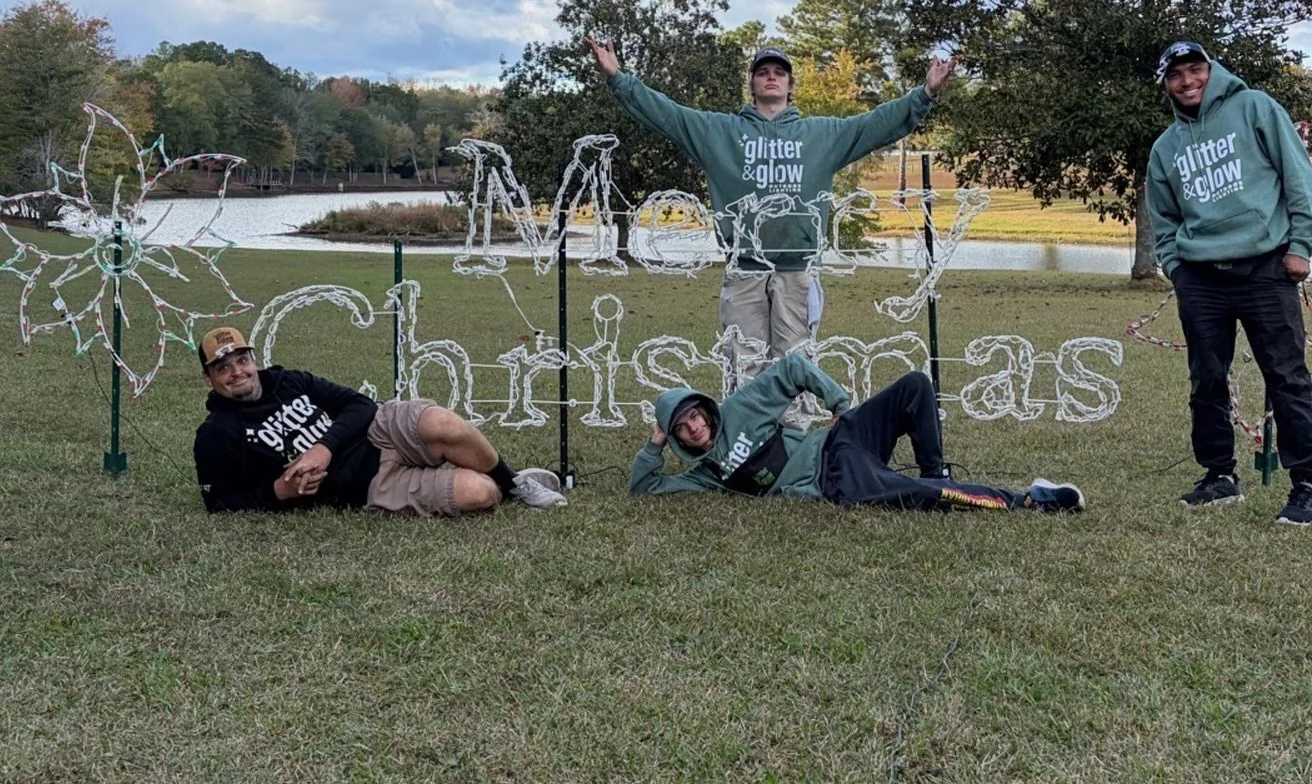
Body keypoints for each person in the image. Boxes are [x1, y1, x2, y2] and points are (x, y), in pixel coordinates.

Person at [588, 35, 956, 366]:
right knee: (744, 365)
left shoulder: (822, 135)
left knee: (795, 367)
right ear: (751, 84)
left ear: (790, 85)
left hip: (798, 273)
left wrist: (925, 93)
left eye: (779, 72)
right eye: (762, 72)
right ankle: (746, 424)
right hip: (744, 271)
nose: (771, 77)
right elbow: (668, 115)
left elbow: (876, 124)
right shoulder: (719, 132)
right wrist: (618, 78)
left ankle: (796, 426)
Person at [1145, 41, 1312, 526]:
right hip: (1201, 277)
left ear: (1212, 70)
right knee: (1206, 379)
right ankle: (1219, 476)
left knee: (1286, 376)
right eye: (1176, 75)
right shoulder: (1165, 148)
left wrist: (1301, 245)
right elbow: (1164, 219)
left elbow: (1298, 178)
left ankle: (1305, 486)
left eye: (1195, 69)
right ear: (1165, 86)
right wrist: (1176, 268)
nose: (1188, 81)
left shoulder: (1255, 108)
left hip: (1266, 267)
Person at [629, 352, 1084, 513]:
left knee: (915, 385)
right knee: (916, 496)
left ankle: (935, 472)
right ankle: (1031, 500)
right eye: (681, 428)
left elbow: (793, 367)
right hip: (837, 482)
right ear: (677, 439)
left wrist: (841, 405)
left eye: (695, 416)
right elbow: (643, 488)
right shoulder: (704, 475)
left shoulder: (738, 410)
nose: (693, 427)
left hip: (838, 441)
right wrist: (655, 443)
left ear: (706, 410)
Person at [192, 325, 567, 516]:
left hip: (377, 432)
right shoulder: (215, 435)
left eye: (242, 360)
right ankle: (492, 480)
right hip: (366, 485)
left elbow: (360, 405)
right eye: (223, 368)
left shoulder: (289, 381)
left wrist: (323, 448)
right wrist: (278, 492)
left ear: (253, 360)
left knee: (444, 424)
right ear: (209, 379)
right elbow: (218, 502)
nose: (237, 372)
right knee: (479, 494)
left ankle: (515, 483)